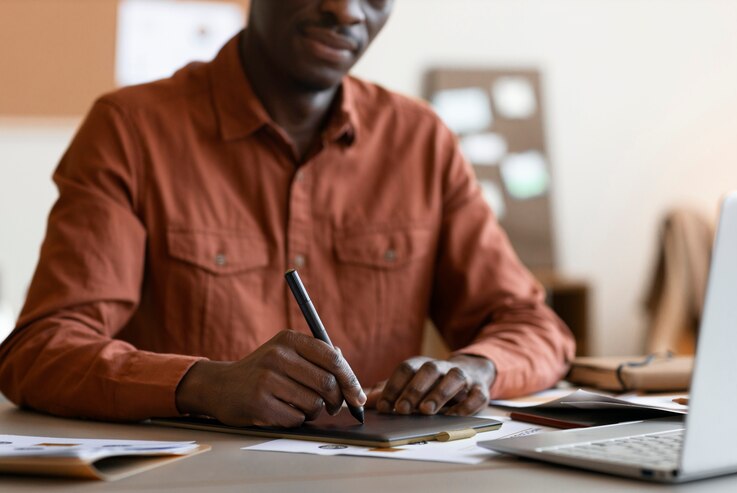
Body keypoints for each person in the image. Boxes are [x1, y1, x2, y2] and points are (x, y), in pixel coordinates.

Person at [0, 0, 574, 427]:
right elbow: (39, 352)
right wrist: (204, 383)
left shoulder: (420, 141)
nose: (346, 11)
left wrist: (477, 369)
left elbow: (535, 328)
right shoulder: (130, 131)